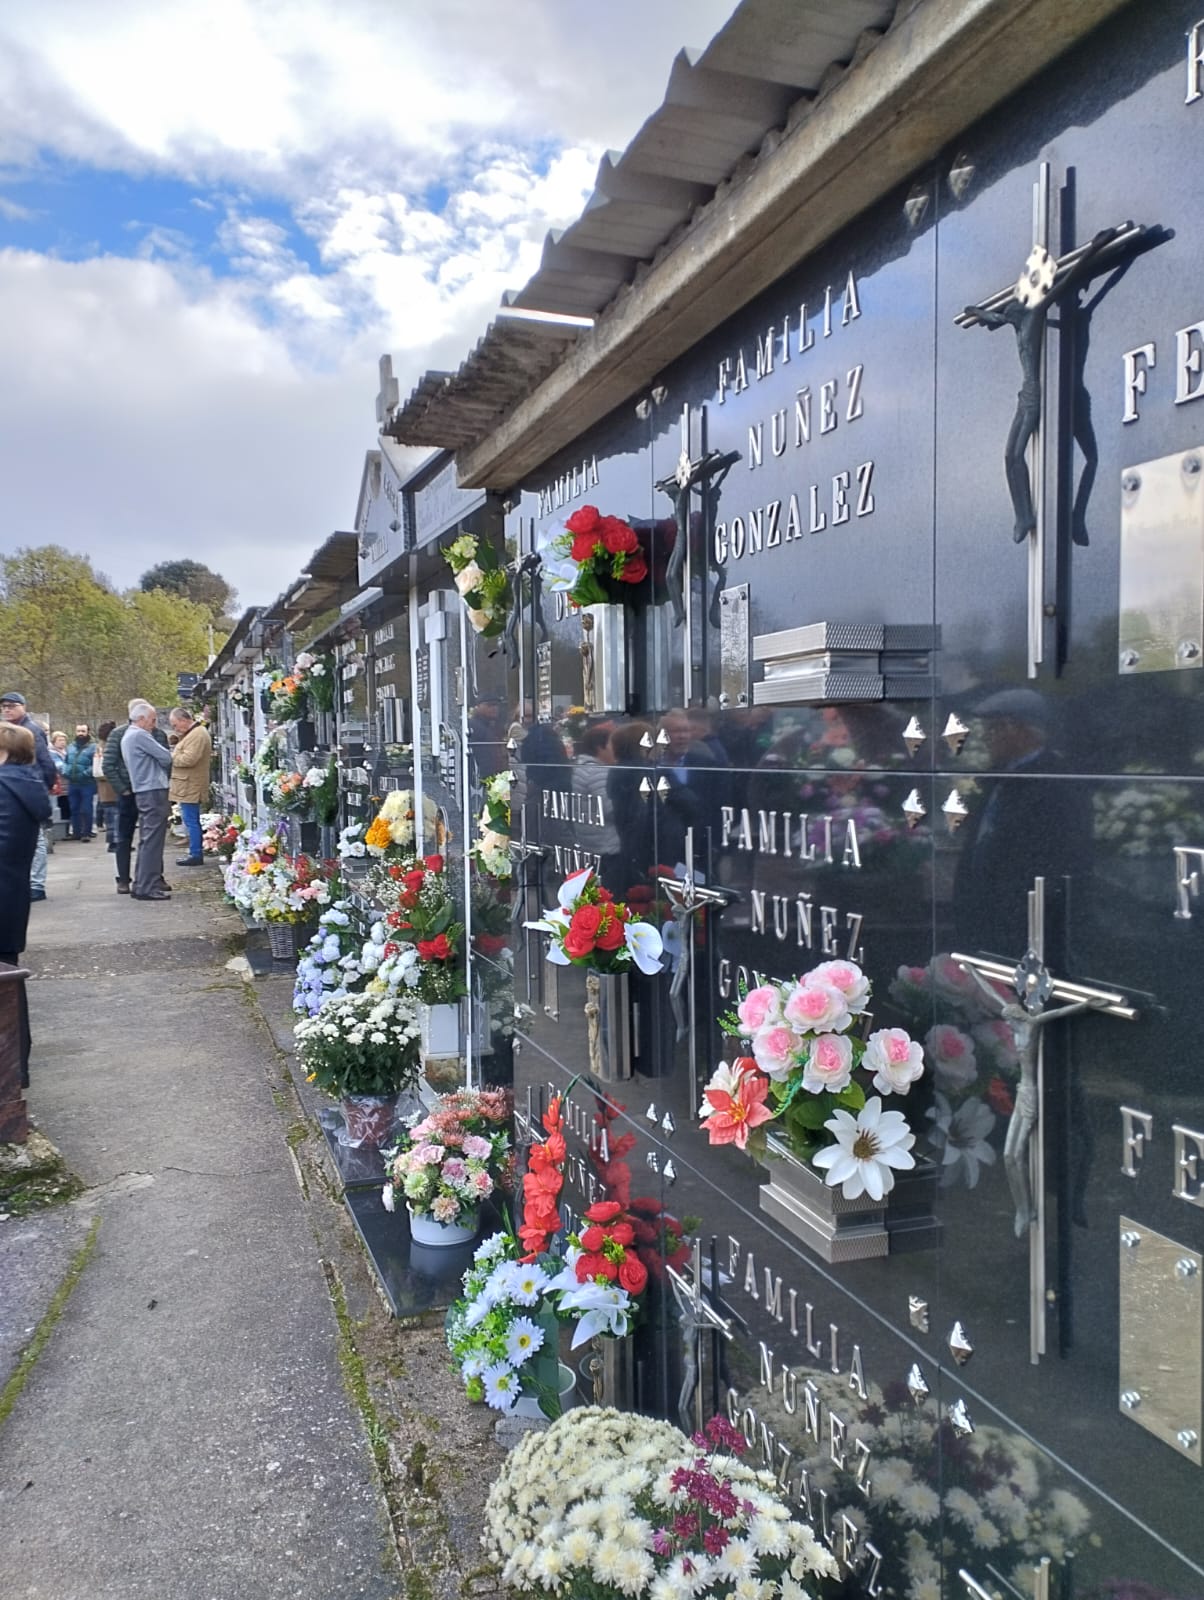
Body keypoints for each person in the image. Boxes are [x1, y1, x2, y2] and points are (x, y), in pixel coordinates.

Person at [0, 723, 53, 1086]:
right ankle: (18, 1062)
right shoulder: (26, 783)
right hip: (12, 895)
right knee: (9, 977)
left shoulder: (3, 786)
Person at [0, 692, 57, 902]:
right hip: (20, 787)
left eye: (11, 706)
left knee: (37, 839)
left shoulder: (30, 731)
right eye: (4, 706)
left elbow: (45, 761)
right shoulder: (8, 730)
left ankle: (36, 883)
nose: (6, 709)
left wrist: (44, 787)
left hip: (29, 788)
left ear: (23, 707)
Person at [120, 699, 174, 901]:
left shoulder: (128, 735)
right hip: (152, 789)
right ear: (141, 719)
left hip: (142, 789)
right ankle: (147, 886)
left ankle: (142, 883)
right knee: (152, 840)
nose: (154, 724)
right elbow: (166, 757)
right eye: (152, 720)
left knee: (146, 839)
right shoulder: (140, 735)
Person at [168, 705, 213, 866]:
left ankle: (195, 854)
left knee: (191, 820)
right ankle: (194, 852)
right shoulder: (193, 733)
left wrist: (172, 756)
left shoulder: (197, 734)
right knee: (190, 819)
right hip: (187, 783)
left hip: (190, 784)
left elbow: (189, 759)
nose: (175, 728)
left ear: (184, 720)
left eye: (175, 724)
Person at [63, 722, 97, 842]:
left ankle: (86, 833)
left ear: (88, 732)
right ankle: (76, 832)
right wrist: (65, 771)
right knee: (74, 808)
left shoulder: (94, 747)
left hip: (87, 783)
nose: (80, 734)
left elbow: (96, 765)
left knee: (86, 808)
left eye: (83, 731)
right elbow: (66, 761)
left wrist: (85, 774)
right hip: (73, 783)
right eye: (78, 731)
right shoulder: (70, 747)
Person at [94, 720, 119, 849]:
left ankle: (111, 842)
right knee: (115, 816)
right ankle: (115, 842)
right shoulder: (112, 747)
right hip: (112, 787)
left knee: (109, 817)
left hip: (103, 789)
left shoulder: (99, 747)